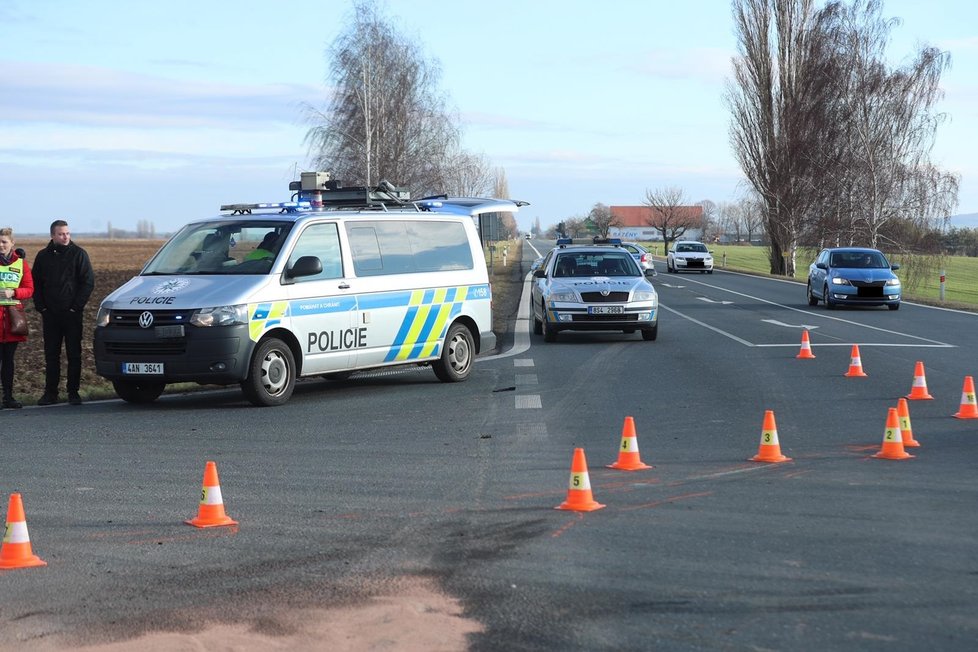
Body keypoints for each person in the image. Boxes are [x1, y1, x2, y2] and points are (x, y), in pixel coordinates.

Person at [32, 220, 95, 406]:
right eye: (61, 234)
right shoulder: (43, 256)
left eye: (67, 233)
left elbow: (88, 282)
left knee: (74, 354)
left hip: (72, 314)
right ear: (52, 236)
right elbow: (36, 284)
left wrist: (76, 307)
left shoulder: (79, 254)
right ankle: (50, 393)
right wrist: (41, 307)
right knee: (51, 355)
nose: (65, 236)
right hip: (50, 314)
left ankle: (73, 392)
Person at [0, 228, 34, 409]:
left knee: (8, 361)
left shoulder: (21, 264)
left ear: (12, 243)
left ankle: (8, 397)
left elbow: (29, 289)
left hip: (13, 319)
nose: (1, 245)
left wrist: (14, 292)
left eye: (4, 242)